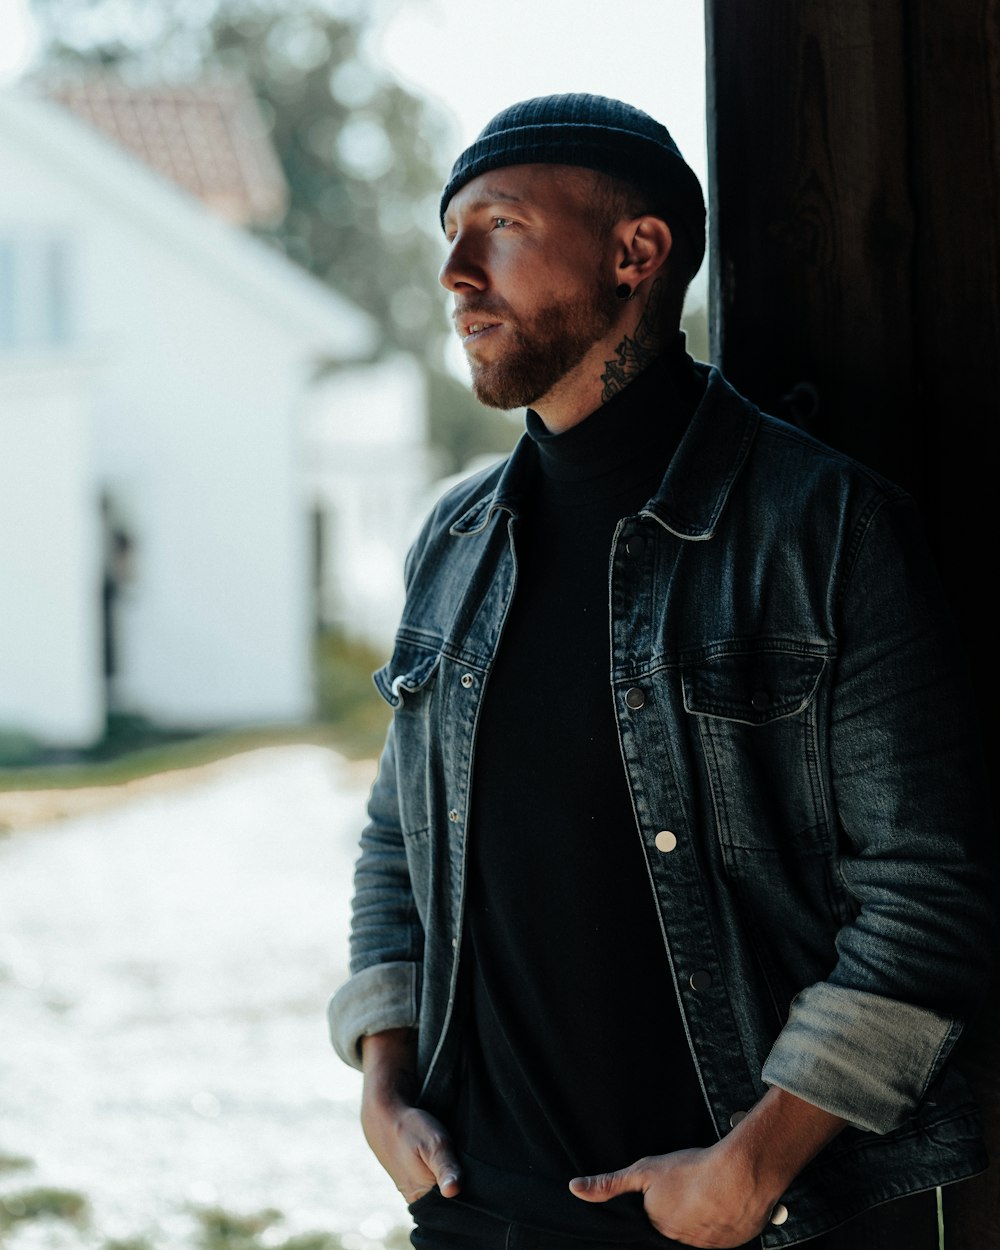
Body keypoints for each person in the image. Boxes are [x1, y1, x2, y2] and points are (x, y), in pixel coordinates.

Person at [327, 94, 997, 1250]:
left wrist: (751, 1166)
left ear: (636, 253)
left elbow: (931, 889)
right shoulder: (455, 538)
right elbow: (397, 837)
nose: (454, 273)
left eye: (498, 226)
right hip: (474, 1206)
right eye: (450, 235)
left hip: (742, 1218)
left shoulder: (823, 528)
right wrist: (384, 1084)